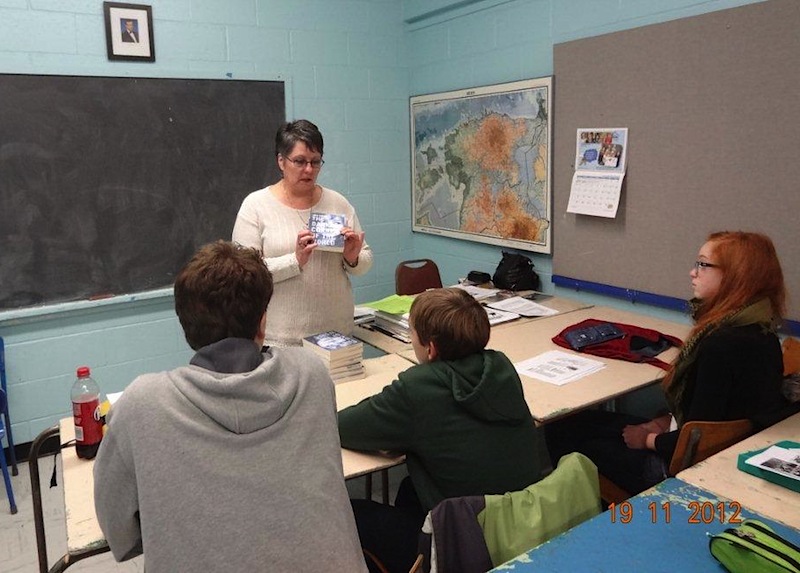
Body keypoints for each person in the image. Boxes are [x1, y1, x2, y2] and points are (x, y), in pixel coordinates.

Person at [93, 241, 368, 573]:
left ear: (185, 324)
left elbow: (119, 535)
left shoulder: (141, 404)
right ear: (263, 320)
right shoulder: (312, 374)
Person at [546, 231, 790, 495]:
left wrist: (649, 439)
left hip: (679, 467)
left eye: (703, 264)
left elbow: (696, 440)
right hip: (702, 444)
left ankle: (588, 513)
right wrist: (663, 422)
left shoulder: (719, 344)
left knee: (564, 432)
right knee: (579, 422)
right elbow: (715, 411)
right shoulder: (762, 332)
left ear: (735, 276)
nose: (692, 272)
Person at [338, 288, 551, 573]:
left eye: (411, 333)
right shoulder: (501, 367)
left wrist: (404, 432)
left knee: (348, 512)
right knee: (409, 487)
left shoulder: (419, 389)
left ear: (431, 348)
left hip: (464, 542)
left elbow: (345, 426)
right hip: (521, 523)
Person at [232, 119, 373, 347]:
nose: (308, 169)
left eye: (315, 162)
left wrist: (353, 258)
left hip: (336, 336)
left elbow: (365, 262)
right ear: (281, 161)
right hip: (281, 340)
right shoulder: (256, 206)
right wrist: (294, 261)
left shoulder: (338, 203)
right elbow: (243, 274)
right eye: (299, 161)